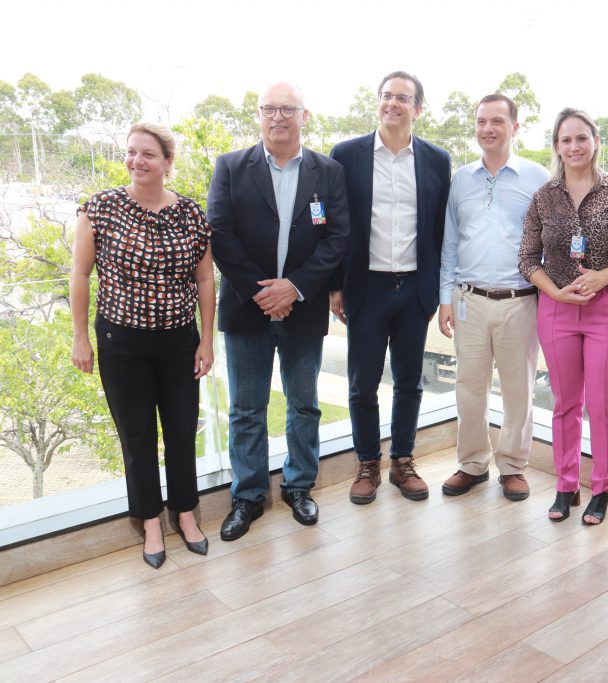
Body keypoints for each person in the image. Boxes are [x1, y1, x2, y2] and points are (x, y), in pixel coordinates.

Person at [207, 82, 349, 541]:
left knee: (304, 404)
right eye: (269, 109)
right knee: (247, 408)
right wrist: (264, 293)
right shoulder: (231, 167)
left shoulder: (328, 171)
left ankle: (299, 485)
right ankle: (248, 495)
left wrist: (295, 288)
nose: (278, 117)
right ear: (259, 115)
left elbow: (337, 238)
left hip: (303, 309)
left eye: (288, 109)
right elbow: (220, 233)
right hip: (246, 309)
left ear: (304, 116)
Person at [70, 122, 215, 568]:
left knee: (181, 431)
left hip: (179, 341)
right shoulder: (100, 208)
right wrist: (80, 336)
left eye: (148, 153)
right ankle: (150, 521)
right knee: (137, 437)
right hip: (122, 342)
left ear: (168, 162)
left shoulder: (190, 214)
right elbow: (80, 274)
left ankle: (185, 513)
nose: (137, 161)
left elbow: (205, 279)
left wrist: (207, 339)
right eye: (131, 152)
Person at [519, 107, 608, 525]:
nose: (573, 146)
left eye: (581, 138)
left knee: (603, 405)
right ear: (557, 146)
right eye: (565, 139)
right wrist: (556, 292)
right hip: (556, 309)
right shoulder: (544, 196)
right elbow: (527, 258)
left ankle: (602, 488)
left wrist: (602, 276)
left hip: (607, 308)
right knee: (565, 404)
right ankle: (566, 485)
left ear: (596, 141)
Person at [329, 71, 452, 505]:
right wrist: (335, 287)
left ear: (418, 108)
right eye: (386, 96)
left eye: (403, 98)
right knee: (362, 384)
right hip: (366, 287)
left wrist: (435, 290)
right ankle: (367, 464)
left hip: (415, 289)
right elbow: (335, 226)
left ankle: (402, 461)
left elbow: (440, 229)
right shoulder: (346, 155)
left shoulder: (437, 160)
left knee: (409, 382)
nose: (392, 104)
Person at [437, 94, 549, 501]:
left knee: (519, 390)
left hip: (521, 300)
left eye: (497, 121)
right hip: (469, 300)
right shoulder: (461, 179)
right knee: (469, 388)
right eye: (481, 121)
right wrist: (445, 299)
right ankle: (472, 464)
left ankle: (514, 466)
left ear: (514, 127)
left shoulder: (538, 178)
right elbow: (450, 243)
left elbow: (550, 242)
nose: (487, 129)